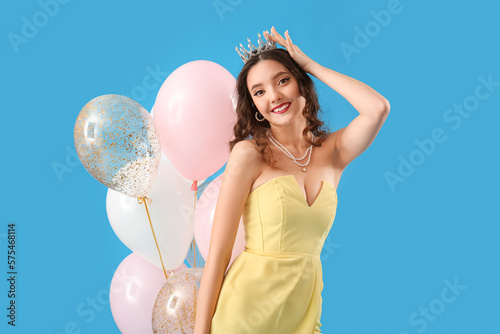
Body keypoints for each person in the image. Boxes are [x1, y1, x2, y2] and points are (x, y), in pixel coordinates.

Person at [194, 26, 390, 333]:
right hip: (243, 315)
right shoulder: (249, 155)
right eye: (259, 92)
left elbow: (377, 109)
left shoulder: (333, 152)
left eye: (282, 80)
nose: (274, 96)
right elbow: (217, 257)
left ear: (301, 84)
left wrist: (311, 66)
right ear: (255, 107)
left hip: (301, 313)